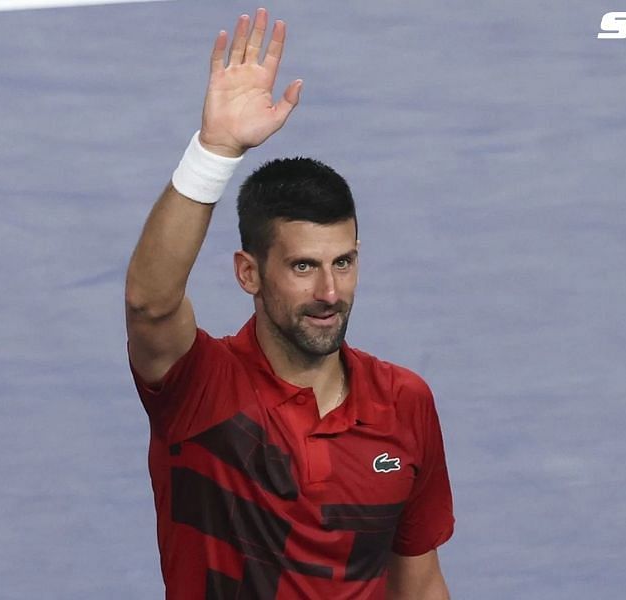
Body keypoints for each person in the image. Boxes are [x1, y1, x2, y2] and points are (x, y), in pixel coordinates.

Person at [125, 9, 453, 599]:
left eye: (343, 263)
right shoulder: (201, 389)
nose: (330, 293)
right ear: (248, 273)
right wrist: (215, 151)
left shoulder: (405, 403)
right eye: (304, 267)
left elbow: (420, 581)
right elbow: (150, 305)